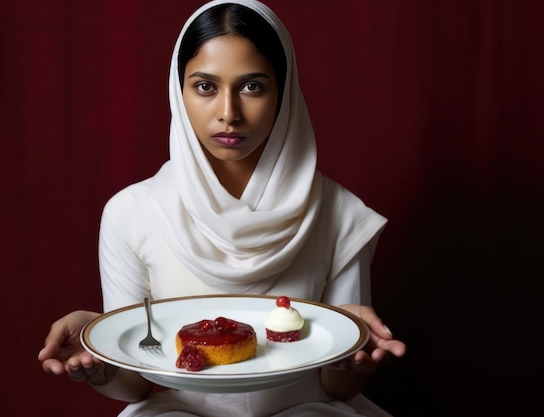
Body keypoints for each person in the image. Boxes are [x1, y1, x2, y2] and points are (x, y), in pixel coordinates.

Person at [38, 1, 406, 416]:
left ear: (284, 94)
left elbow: (336, 387)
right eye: (205, 87)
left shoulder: (339, 213)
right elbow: (137, 383)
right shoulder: (131, 212)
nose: (228, 114)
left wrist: (349, 351)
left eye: (252, 86)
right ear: (179, 92)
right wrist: (99, 361)